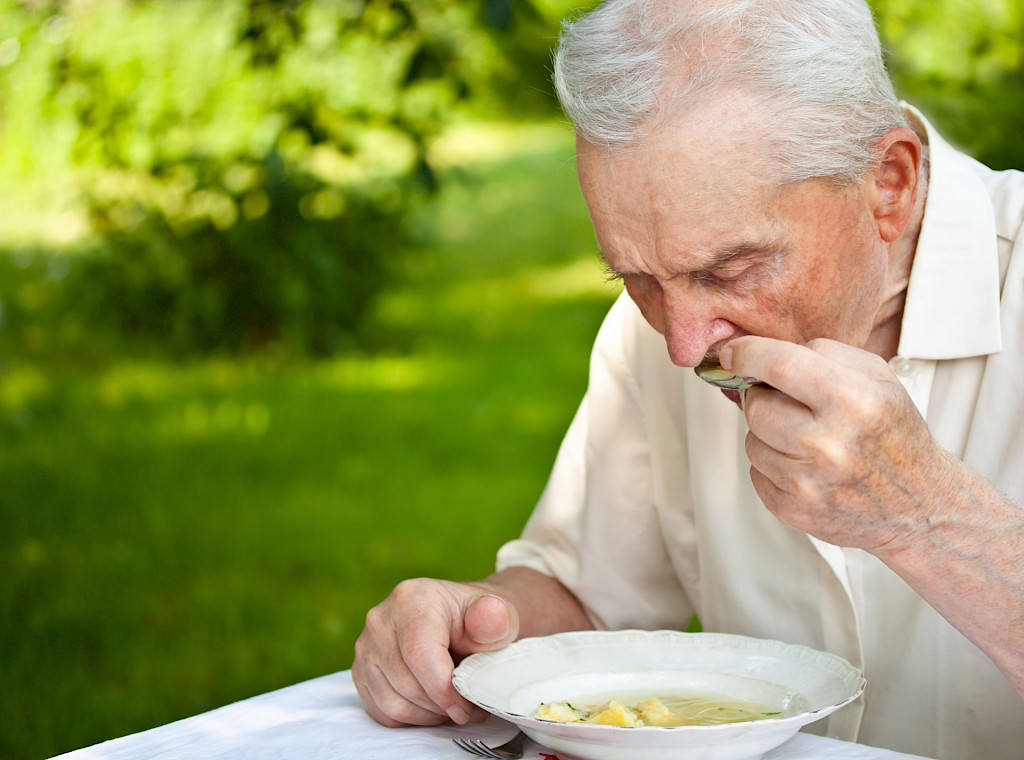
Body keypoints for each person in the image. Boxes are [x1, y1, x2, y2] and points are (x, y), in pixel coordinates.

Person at [352, 1, 1024, 757]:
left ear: (888, 184)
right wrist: (465, 625)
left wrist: (928, 517)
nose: (683, 343)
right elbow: (586, 598)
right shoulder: (664, 329)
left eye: (730, 269)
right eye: (637, 278)